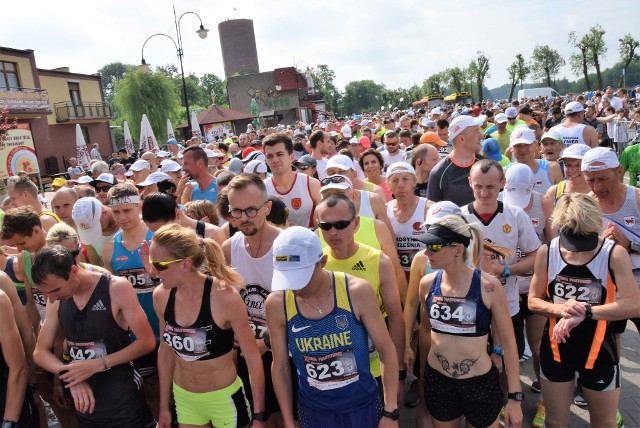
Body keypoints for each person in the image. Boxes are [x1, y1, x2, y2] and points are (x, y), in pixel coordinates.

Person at [266, 227, 400, 428]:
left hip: (362, 407)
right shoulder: (277, 304)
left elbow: (387, 351)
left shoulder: (356, 291)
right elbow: (281, 366)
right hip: (314, 412)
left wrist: (390, 412)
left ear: (322, 262)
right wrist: (288, 421)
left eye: (301, 277)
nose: (295, 287)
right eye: (288, 278)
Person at [528, 194, 640, 428]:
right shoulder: (547, 252)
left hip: (599, 352)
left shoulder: (614, 253)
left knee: (604, 423)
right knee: (554, 422)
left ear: (596, 224)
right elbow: (533, 301)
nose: (578, 251)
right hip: (557, 351)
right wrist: (561, 308)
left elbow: (633, 305)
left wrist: (587, 312)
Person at [150, 225, 266, 428]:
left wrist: (259, 416)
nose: (152, 271)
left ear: (185, 264)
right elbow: (166, 351)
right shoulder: (161, 296)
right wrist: (163, 407)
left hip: (224, 399)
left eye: (159, 265)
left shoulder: (225, 297)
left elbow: (253, 357)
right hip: (185, 398)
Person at [417, 215, 523, 428]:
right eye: (427, 246)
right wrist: (422, 376)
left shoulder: (489, 286)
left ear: (458, 249)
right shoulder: (427, 284)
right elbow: (426, 331)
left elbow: (510, 343)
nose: (427, 253)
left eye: (435, 247)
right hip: (438, 381)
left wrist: (514, 397)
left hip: (480, 382)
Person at [32, 246, 155, 427]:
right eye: (47, 293)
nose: (51, 299)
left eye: (55, 290)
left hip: (124, 404)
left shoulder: (116, 288)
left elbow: (147, 342)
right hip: (86, 406)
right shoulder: (56, 299)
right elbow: (40, 352)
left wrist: (99, 364)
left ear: (73, 271)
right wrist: (70, 376)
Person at [316, 193, 405, 398]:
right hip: (333, 371)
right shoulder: (316, 264)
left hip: (374, 369)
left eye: (340, 224)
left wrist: (398, 372)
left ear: (355, 224)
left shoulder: (378, 261)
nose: (333, 232)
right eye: (326, 226)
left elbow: (396, 318)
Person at [462, 159, 541, 361]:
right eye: (478, 186)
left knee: (508, 361)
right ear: (470, 182)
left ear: (502, 183)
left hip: (507, 304)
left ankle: (511, 393)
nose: (484, 193)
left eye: (490, 187)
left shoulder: (515, 215)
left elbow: (536, 257)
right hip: (469, 306)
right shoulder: (460, 217)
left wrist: (505, 270)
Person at [221, 174, 284, 425]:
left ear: (267, 208)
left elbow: (303, 305)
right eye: (236, 211)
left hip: (283, 351)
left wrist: (267, 343)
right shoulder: (228, 248)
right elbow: (225, 300)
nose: (243, 217)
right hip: (248, 352)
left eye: (250, 210)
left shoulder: (285, 246)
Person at [101, 183, 160, 418]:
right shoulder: (109, 247)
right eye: (116, 212)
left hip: (164, 327)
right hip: (134, 335)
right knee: (147, 389)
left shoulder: (158, 239)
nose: (122, 217)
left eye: (127, 210)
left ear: (139, 207)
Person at [264, 132, 322, 227]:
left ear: (291, 157)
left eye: (279, 154)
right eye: (269, 156)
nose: (274, 160)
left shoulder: (311, 184)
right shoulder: (261, 189)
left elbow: (324, 223)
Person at [427, 115, 486, 206]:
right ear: (462, 139)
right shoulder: (438, 173)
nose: (481, 136)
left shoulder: (487, 166)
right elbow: (434, 213)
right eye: (476, 132)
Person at [385, 162, 429, 285]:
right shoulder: (384, 211)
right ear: (388, 186)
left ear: (414, 182)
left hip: (425, 274)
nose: (401, 185)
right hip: (397, 276)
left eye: (405, 179)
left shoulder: (428, 208)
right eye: (395, 180)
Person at [507, 126, 562, 195]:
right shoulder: (505, 173)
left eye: (527, 145)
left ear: (535, 144)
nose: (523, 149)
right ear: (511, 148)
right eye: (518, 145)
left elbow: (561, 200)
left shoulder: (552, 168)